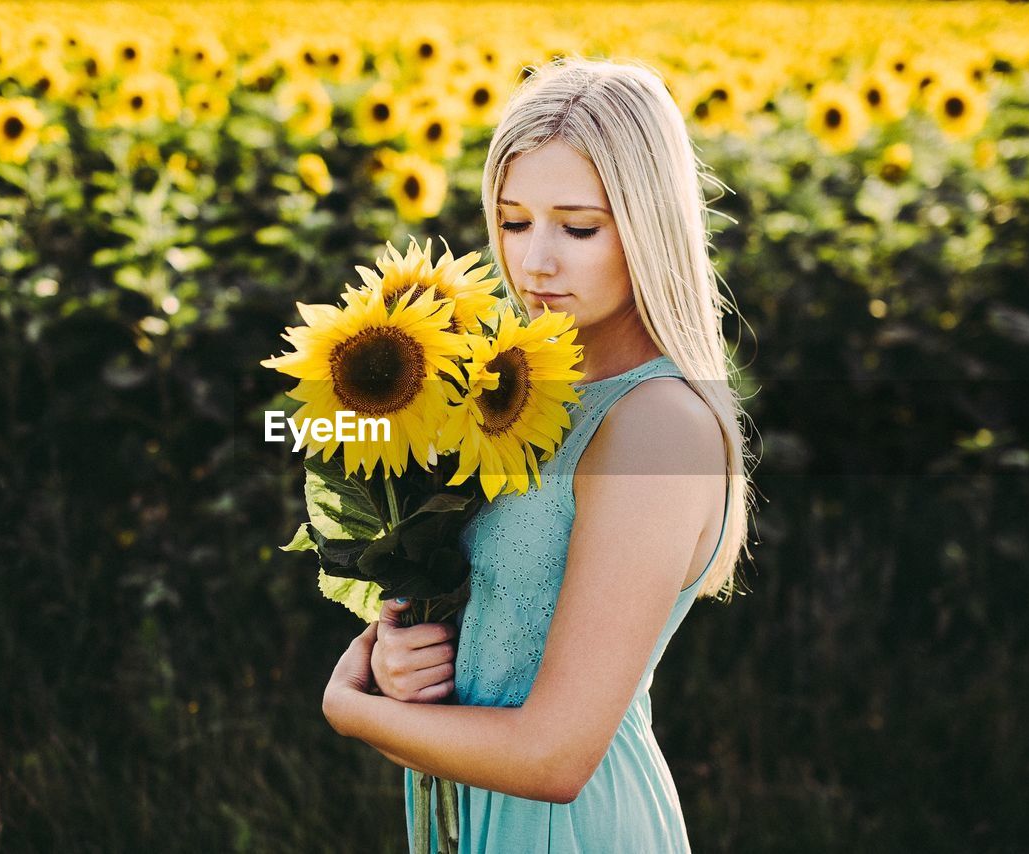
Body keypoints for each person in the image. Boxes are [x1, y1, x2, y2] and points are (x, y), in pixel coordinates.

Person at [322, 55, 757, 852]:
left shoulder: (656, 424)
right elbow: (490, 610)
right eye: (514, 222)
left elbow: (557, 756)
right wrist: (396, 656)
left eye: (579, 226)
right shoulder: (513, 389)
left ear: (648, 224)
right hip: (477, 818)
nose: (535, 262)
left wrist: (352, 710)